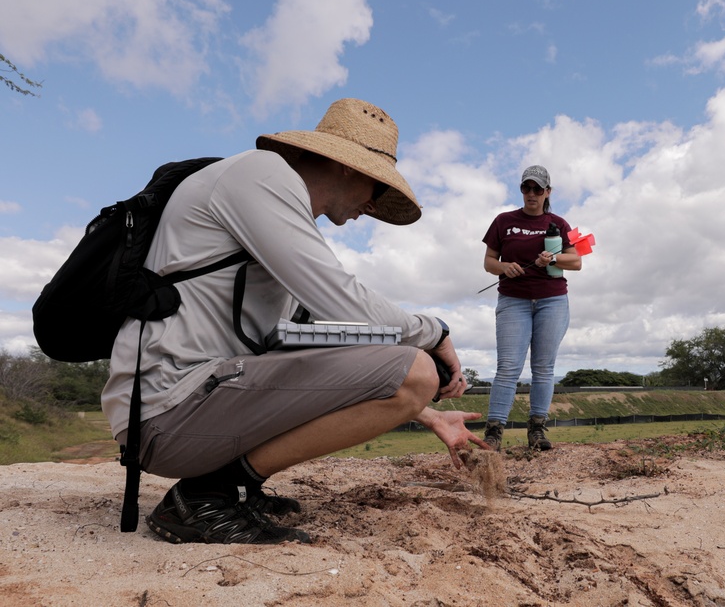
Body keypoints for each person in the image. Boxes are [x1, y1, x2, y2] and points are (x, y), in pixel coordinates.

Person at [101, 98, 490, 545]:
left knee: (409, 376)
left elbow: (306, 342)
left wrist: (425, 413)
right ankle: (207, 494)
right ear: (349, 166)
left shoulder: (274, 221)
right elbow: (346, 303)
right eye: (378, 187)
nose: (373, 204)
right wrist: (435, 332)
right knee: (416, 368)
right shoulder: (261, 174)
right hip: (166, 411)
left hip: (186, 407)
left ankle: (227, 485)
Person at [480, 165, 581, 451]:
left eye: (538, 189)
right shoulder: (503, 221)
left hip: (552, 300)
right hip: (513, 301)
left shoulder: (560, 224)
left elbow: (576, 262)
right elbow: (489, 261)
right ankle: (493, 433)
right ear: (521, 190)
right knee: (508, 367)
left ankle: (537, 430)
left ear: (548, 192)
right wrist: (504, 267)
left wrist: (551, 260)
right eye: (527, 188)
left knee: (543, 368)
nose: (532, 194)